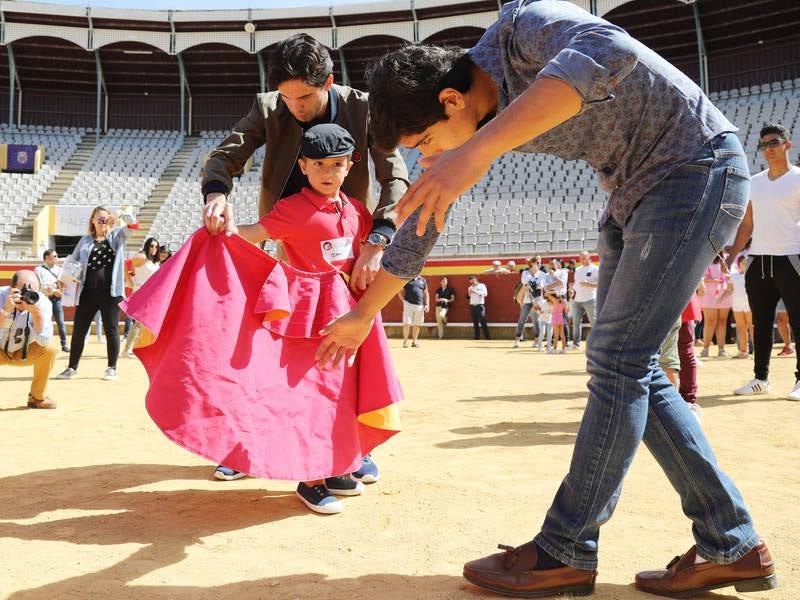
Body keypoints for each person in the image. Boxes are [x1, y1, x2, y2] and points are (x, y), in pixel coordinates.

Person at [317, 2, 777, 596]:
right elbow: (425, 221)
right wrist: (363, 312)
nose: (431, 155)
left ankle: (566, 548)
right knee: (634, 368)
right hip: (633, 193)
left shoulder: (521, 27)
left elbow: (612, 51)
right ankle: (731, 542)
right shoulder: (466, 127)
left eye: (428, 140)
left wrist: (474, 153)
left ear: (452, 100)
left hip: (695, 168)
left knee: (618, 360)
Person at [220, 123, 396, 512]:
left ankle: (335, 466)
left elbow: (367, 251)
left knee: (341, 396)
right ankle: (309, 479)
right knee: (310, 399)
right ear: (302, 166)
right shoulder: (293, 209)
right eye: (318, 164)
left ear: (351, 165)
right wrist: (225, 230)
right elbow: (255, 233)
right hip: (308, 323)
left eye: (336, 164)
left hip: (349, 319)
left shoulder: (356, 211)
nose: (328, 172)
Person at [201, 33, 409, 294]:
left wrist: (377, 242)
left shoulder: (363, 108)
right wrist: (216, 194)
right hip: (289, 243)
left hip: (353, 243)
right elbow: (224, 156)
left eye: (305, 97)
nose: (294, 107)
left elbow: (395, 177)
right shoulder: (268, 107)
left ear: (328, 83)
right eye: (286, 97)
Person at [729, 123, 800, 400]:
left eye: (774, 143)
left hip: (792, 257)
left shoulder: (798, 178)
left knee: (798, 321)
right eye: (764, 145)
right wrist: (733, 256)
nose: (768, 149)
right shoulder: (754, 182)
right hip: (758, 260)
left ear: (787, 144)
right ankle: (761, 378)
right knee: (760, 321)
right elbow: (747, 224)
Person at [56, 206, 136, 382]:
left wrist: (120, 214)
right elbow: (72, 261)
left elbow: (134, 225)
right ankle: (71, 367)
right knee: (79, 329)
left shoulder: (116, 236)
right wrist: (68, 277)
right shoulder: (85, 240)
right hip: (88, 292)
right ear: (92, 220)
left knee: (112, 329)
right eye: (99, 218)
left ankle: (111, 368)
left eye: (105, 218)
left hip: (111, 292)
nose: (102, 221)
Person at [0, 270, 58, 409]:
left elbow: (44, 340)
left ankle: (37, 397)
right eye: (21, 292)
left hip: (23, 352)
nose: (25, 297)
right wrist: (5, 311)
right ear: (11, 288)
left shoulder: (42, 303)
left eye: (32, 293)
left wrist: (36, 313)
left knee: (50, 349)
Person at [123, 237, 160, 357]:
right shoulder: (142, 257)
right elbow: (126, 263)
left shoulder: (155, 262)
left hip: (151, 294)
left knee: (148, 322)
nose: (154, 248)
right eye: (151, 246)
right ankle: (127, 349)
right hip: (142, 292)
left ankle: (142, 347)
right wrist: (130, 281)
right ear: (147, 246)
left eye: (156, 246)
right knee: (139, 323)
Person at [35, 249, 68, 352]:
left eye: (56, 256)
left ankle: (64, 344)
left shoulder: (59, 270)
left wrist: (61, 290)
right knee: (43, 321)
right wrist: (54, 291)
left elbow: (63, 284)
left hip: (56, 299)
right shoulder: (38, 270)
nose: (56, 258)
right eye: (54, 256)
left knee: (61, 322)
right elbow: (40, 285)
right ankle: (42, 343)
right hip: (44, 299)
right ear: (47, 258)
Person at [700, 255, 732, 358]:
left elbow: (732, 274)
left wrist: (726, 270)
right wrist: (715, 280)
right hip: (708, 294)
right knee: (710, 321)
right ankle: (705, 349)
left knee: (722, 321)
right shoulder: (705, 256)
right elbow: (700, 277)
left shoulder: (726, 258)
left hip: (724, 294)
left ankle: (721, 349)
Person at [571, 251, 598, 349]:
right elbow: (576, 283)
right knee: (576, 323)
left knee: (594, 322)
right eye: (580, 258)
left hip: (590, 299)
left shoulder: (595, 269)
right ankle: (576, 344)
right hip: (577, 299)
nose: (581, 260)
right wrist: (572, 287)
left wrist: (589, 284)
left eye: (584, 258)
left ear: (589, 257)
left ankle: (597, 343)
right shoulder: (577, 269)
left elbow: (600, 284)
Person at [513, 257, 541, 348]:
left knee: (536, 321)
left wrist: (531, 283)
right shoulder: (525, 272)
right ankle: (517, 340)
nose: (539, 264)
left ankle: (536, 341)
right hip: (526, 300)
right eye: (537, 262)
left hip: (536, 300)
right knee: (522, 320)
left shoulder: (542, 273)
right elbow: (524, 282)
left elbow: (541, 285)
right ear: (532, 263)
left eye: (540, 262)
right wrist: (533, 282)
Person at [730, 255, 753, 359]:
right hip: (737, 305)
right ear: (739, 265)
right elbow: (729, 290)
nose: (745, 265)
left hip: (750, 305)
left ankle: (759, 351)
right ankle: (743, 351)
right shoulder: (733, 276)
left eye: (746, 263)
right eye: (743, 263)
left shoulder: (753, 276)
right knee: (741, 328)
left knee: (752, 327)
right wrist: (719, 299)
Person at [398, 275, 428, 348]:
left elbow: (426, 293)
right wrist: (403, 301)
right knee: (407, 323)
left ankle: (414, 341)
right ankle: (405, 342)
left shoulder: (422, 280)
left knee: (417, 324)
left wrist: (427, 304)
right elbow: (400, 290)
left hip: (420, 305)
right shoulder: (406, 279)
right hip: (408, 304)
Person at [467, 275, 489, 340]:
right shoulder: (470, 287)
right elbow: (468, 296)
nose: (472, 281)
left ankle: (487, 337)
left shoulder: (482, 285)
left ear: (476, 279)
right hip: (472, 306)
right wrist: (469, 293)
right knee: (475, 322)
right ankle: (477, 337)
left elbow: (485, 294)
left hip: (480, 305)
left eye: (473, 279)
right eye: (470, 280)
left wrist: (475, 292)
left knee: (483, 321)